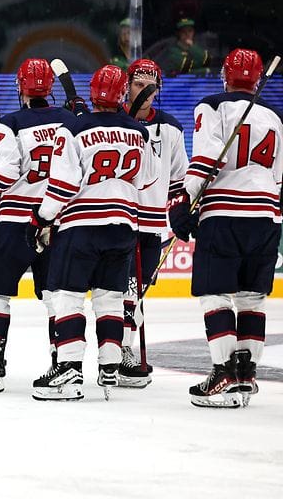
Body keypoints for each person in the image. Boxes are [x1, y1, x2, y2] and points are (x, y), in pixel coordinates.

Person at [29, 65, 155, 402]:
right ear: (121, 94)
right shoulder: (138, 132)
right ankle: (110, 366)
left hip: (81, 228)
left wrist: (41, 218)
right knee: (110, 298)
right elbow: (146, 180)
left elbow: (63, 184)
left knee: (67, 296)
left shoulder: (72, 128)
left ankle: (69, 368)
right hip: (122, 227)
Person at [170, 48, 281, 408]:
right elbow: (279, 176)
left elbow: (206, 160)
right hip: (266, 216)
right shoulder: (276, 117)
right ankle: (246, 374)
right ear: (258, 79)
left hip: (224, 214)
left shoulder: (212, 106)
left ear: (225, 76)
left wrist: (184, 200)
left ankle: (223, 373)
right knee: (252, 297)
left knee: (214, 293)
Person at [0, 58, 77, 393]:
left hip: (15, 221)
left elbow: (2, 176)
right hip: (57, 220)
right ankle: (61, 363)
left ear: (20, 88)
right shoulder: (71, 122)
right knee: (57, 296)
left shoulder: (10, 123)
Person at [118, 58, 187, 387]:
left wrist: (179, 212)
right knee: (119, 291)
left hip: (151, 225)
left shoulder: (171, 127)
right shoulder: (115, 122)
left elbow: (178, 179)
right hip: (118, 220)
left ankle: (123, 349)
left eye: (150, 85)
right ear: (127, 86)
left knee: (136, 293)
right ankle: (116, 352)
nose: (144, 91)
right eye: (138, 84)